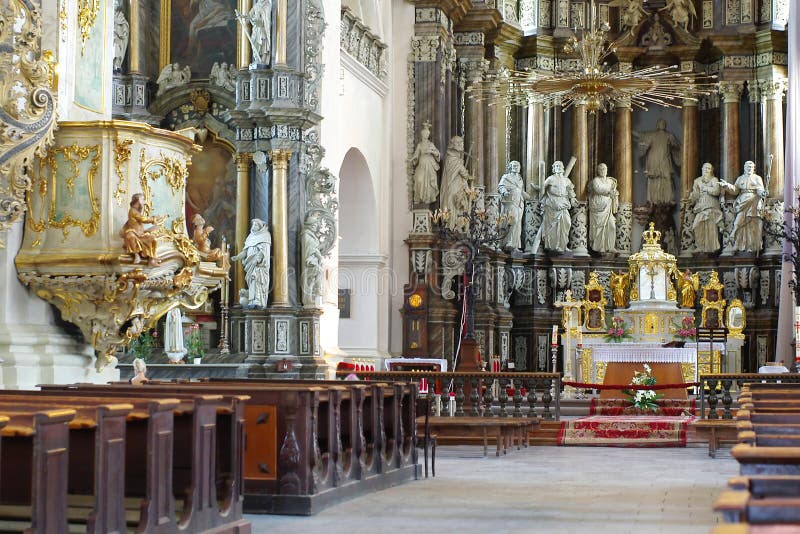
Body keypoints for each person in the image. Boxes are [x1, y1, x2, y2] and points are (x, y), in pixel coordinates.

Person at [720, 160, 766, 253]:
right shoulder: (740, 178)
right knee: (739, 222)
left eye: (751, 167)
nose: (749, 168)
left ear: (754, 168)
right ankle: (740, 245)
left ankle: (752, 246)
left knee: (753, 225)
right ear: (744, 168)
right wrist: (727, 186)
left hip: (754, 201)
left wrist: (763, 193)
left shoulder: (757, 178)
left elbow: (760, 190)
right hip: (742, 201)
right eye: (747, 167)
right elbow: (735, 190)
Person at [633, 119, 681, 204]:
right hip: (654, 160)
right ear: (657, 125)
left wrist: (678, 148)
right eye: (660, 123)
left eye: (663, 123)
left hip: (664, 159)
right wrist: (630, 131)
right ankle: (653, 200)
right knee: (654, 178)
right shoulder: (652, 135)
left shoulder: (669, 135)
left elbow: (676, 145)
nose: (662, 124)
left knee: (667, 178)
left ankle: (668, 199)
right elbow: (642, 137)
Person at [231, 218, 271, 307]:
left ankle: (258, 300)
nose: (254, 226)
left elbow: (264, 252)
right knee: (252, 281)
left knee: (257, 281)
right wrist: (237, 257)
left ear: (260, 227)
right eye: (253, 224)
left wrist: (257, 259)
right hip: (250, 265)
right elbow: (245, 251)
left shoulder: (265, 236)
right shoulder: (251, 237)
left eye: (256, 225)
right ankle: (252, 300)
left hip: (259, 266)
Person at [541, 161, 577, 253]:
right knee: (553, 225)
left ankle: (563, 245)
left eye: (560, 165)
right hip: (553, 204)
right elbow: (542, 188)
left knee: (566, 223)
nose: (558, 167)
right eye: (556, 166)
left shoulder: (566, 180)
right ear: (553, 168)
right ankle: (554, 246)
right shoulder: (550, 179)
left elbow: (570, 191)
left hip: (563, 203)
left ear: (563, 167)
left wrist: (572, 198)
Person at [120, 193, 165, 266]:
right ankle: (136, 255)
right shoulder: (132, 211)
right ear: (138, 200)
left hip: (140, 233)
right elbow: (143, 219)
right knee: (130, 236)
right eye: (143, 199)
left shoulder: (137, 211)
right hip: (135, 233)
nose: (144, 202)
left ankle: (151, 259)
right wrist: (154, 219)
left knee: (153, 239)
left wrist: (154, 219)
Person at [689, 163, 724, 253]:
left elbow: (716, 191)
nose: (706, 170)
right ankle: (700, 246)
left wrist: (706, 188)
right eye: (705, 168)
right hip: (700, 206)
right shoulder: (697, 180)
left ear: (711, 170)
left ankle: (711, 247)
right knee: (697, 225)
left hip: (711, 205)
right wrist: (690, 199)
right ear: (702, 169)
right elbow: (695, 193)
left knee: (711, 227)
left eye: (709, 168)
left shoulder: (714, 179)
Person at [497, 160, 530, 250]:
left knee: (518, 223)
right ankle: (508, 241)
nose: (516, 167)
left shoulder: (520, 179)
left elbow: (520, 190)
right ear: (510, 167)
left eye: (517, 166)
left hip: (519, 202)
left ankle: (515, 244)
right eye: (514, 165)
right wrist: (504, 192)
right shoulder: (506, 177)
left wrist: (525, 195)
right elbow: (501, 187)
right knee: (512, 220)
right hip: (510, 201)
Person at [587, 163, 618, 253]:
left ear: (607, 170)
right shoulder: (596, 180)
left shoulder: (610, 181)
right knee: (599, 227)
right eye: (600, 169)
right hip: (598, 206)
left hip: (607, 206)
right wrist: (609, 192)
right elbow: (598, 189)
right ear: (598, 171)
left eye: (604, 169)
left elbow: (614, 189)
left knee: (611, 225)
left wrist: (614, 192)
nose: (603, 171)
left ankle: (610, 246)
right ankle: (599, 247)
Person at [439, 136, 472, 218]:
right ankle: (451, 224)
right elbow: (462, 171)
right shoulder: (451, 158)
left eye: (461, 142)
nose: (461, 144)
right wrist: (469, 176)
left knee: (459, 204)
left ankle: (457, 224)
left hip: (458, 185)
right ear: (453, 145)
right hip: (452, 185)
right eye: (458, 143)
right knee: (452, 203)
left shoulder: (456, 158)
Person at [410, 122, 440, 205]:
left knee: (429, 182)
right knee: (419, 179)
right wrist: (413, 159)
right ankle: (419, 198)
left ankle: (427, 198)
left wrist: (433, 152)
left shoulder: (431, 144)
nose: (425, 135)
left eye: (427, 134)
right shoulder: (419, 145)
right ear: (422, 135)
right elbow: (416, 154)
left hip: (429, 164)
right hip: (422, 164)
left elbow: (437, 153)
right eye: (424, 134)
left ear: (428, 135)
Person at [301, 216, 324, 306]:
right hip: (309, 260)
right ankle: (316, 292)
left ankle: (311, 297)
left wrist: (318, 254)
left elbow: (314, 247)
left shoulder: (311, 235)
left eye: (315, 224)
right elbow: (309, 248)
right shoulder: (306, 234)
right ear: (309, 225)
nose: (315, 226)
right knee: (318, 273)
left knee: (311, 281)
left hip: (313, 260)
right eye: (313, 224)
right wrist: (318, 254)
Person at [113, 0, 129, 73]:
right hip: (111, 38)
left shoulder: (120, 16)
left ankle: (116, 65)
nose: (115, 5)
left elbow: (125, 25)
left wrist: (124, 32)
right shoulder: (107, 15)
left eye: (116, 3)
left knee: (117, 49)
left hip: (117, 38)